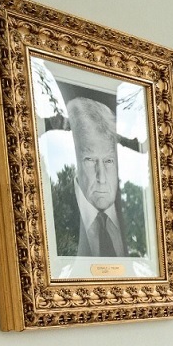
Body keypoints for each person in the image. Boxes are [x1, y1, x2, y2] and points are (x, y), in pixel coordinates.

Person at [57, 97, 126, 257]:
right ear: (74, 161)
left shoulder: (140, 215)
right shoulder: (57, 214)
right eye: (89, 160)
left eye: (108, 161)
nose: (102, 177)